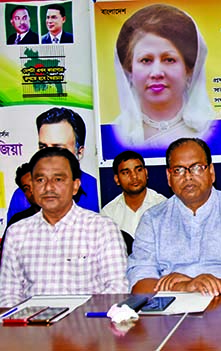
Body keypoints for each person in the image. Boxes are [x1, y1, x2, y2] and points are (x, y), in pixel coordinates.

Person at [128, 138, 221, 295]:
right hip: (171, 310)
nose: (188, 176)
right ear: (168, 177)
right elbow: (139, 283)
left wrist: (209, 284)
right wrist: (185, 287)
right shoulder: (153, 219)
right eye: (178, 170)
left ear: (211, 172)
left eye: (197, 168)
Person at [0, 147, 128, 306]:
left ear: (75, 186)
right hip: (32, 327)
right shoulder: (17, 233)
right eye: (40, 180)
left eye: (58, 179)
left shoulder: (101, 229)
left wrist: (77, 321)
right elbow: (8, 294)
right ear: (32, 186)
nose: (48, 187)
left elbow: (117, 289)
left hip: (87, 326)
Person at [113, 4, 215, 148]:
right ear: (130, 69)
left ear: (189, 69)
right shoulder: (119, 132)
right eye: (146, 60)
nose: (156, 73)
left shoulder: (210, 127)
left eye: (169, 60)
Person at [6, 107, 99, 222]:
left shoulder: (97, 191)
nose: (48, 155)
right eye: (43, 147)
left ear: (79, 152)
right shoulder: (22, 196)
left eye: (58, 148)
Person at [101, 151, 166, 237]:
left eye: (139, 170)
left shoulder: (163, 205)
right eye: (126, 173)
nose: (134, 176)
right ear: (117, 179)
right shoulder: (109, 213)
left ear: (146, 173)